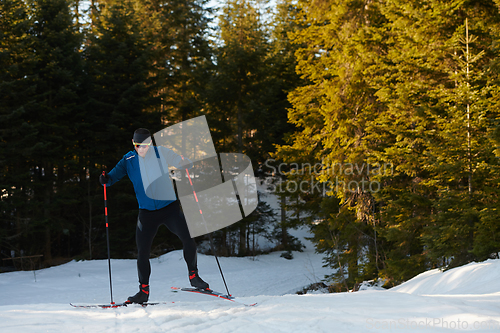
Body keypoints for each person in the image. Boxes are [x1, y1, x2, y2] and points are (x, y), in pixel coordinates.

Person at [100, 128, 209, 304]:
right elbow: (112, 178)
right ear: (133, 144)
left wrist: (185, 162)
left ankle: (194, 276)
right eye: (137, 145)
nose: (141, 149)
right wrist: (105, 179)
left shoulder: (161, 153)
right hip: (147, 213)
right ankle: (143, 292)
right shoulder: (128, 160)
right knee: (142, 252)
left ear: (150, 143)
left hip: (169, 208)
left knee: (188, 238)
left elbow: (178, 160)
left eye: (144, 145)